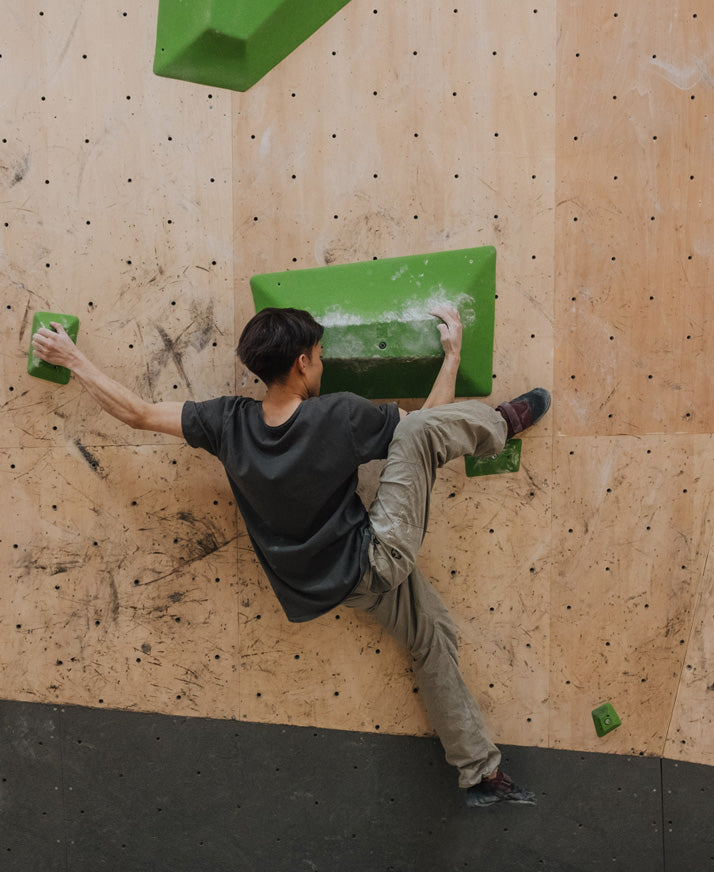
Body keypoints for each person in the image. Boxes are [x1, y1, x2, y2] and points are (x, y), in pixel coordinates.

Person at [32, 305, 550, 807]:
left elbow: (138, 413)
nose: (321, 364)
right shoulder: (339, 415)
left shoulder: (226, 423)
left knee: (432, 638)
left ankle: (481, 772)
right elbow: (429, 429)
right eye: (319, 354)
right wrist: (452, 358)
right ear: (302, 362)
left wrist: (72, 358)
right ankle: (503, 424)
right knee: (414, 430)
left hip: (337, 584)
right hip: (376, 556)